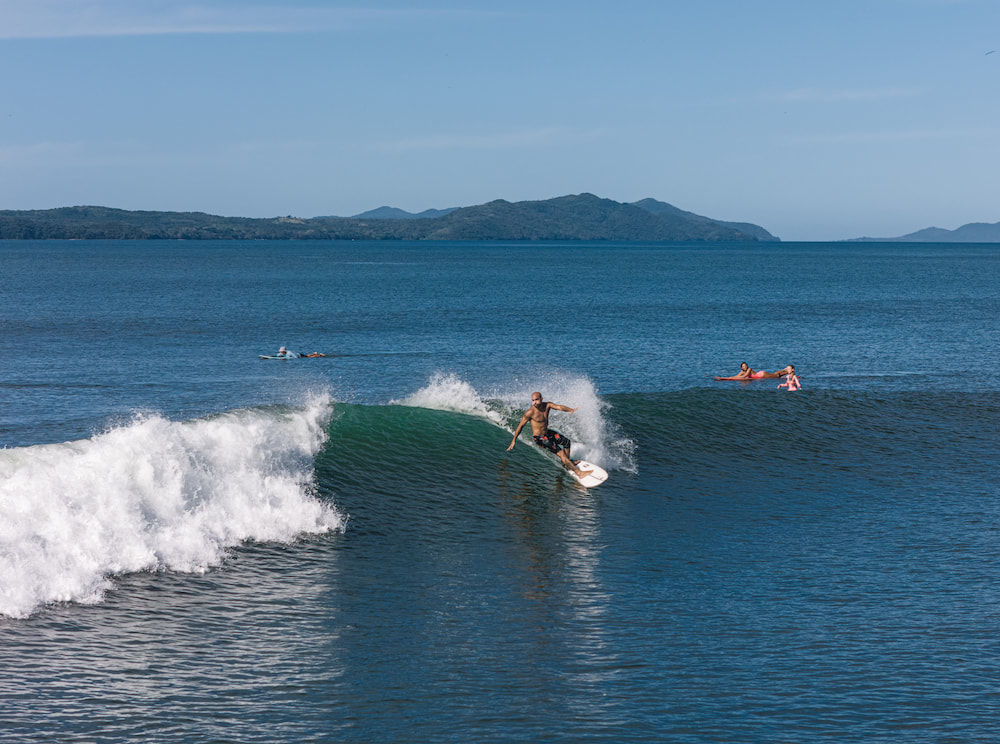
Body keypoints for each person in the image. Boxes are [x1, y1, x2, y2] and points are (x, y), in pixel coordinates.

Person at [507, 392, 588, 479]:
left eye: (536, 400)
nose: (534, 402)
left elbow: (559, 407)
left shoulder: (547, 405)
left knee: (566, 442)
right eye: (533, 400)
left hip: (547, 433)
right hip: (539, 438)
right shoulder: (530, 412)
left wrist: (570, 410)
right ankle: (579, 473)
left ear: (541, 399)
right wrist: (513, 440)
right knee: (561, 453)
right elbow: (520, 426)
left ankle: (567, 464)